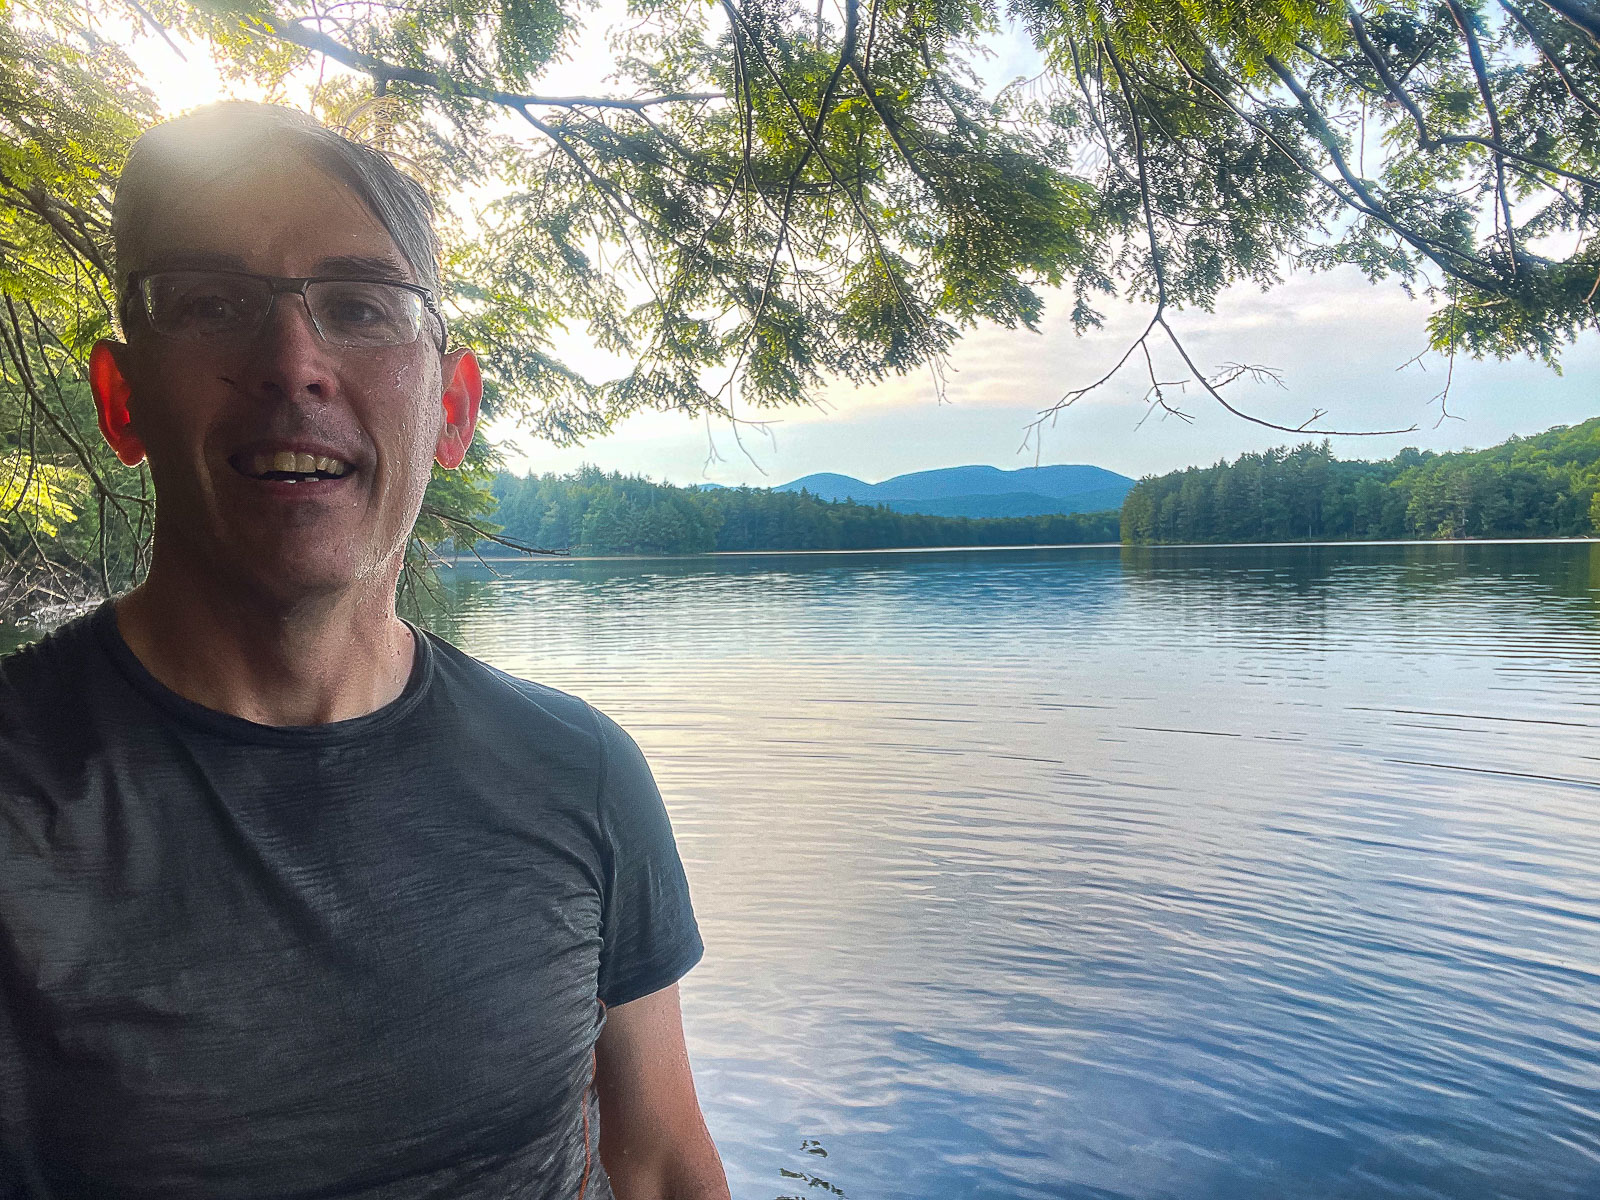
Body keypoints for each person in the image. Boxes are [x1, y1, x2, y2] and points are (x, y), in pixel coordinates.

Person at [0, 102, 729, 1200]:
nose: (292, 362)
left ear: (452, 409)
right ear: (122, 399)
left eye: (360, 307)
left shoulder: (580, 771)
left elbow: (662, 1162)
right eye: (211, 304)